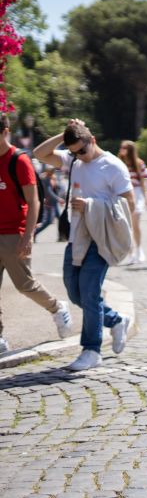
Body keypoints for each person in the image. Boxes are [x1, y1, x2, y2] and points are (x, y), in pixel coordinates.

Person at [34, 119, 134, 371]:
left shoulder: (113, 166)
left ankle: (91, 350)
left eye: (82, 149)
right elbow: (39, 154)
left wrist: (92, 205)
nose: (79, 155)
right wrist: (64, 134)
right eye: (73, 151)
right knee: (75, 293)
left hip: (101, 237)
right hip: (77, 236)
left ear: (93, 141)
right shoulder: (75, 161)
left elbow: (128, 204)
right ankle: (117, 320)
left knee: (89, 291)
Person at [0, 115, 73, 355]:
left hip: (14, 233)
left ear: (6, 131)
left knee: (25, 285)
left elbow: (33, 201)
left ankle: (57, 308)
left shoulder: (18, 161)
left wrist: (28, 235)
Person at [118, 140, 147, 263]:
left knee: (135, 223)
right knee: (126, 225)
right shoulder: (119, 163)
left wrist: (146, 199)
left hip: (137, 193)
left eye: (124, 147)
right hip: (124, 194)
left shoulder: (139, 163)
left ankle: (139, 249)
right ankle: (131, 252)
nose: (121, 149)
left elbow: (142, 181)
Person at [34, 167, 61, 239]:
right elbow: (48, 191)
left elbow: (57, 187)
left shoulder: (52, 177)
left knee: (60, 219)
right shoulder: (45, 178)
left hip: (53, 202)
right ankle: (34, 232)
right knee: (48, 221)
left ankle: (62, 235)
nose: (53, 172)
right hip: (49, 202)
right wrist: (58, 199)